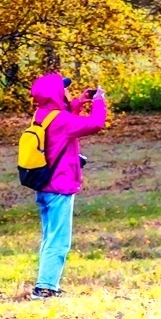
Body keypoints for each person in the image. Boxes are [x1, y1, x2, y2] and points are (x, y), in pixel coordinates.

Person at [28, 73, 108, 300]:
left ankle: (47, 284)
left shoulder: (41, 115)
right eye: (63, 89)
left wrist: (80, 102)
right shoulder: (61, 121)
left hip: (45, 185)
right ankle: (44, 288)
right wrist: (99, 101)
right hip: (59, 185)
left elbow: (61, 120)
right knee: (59, 240)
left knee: (49, 237)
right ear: (56, 94)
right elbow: (96, 123)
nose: (66, 91)